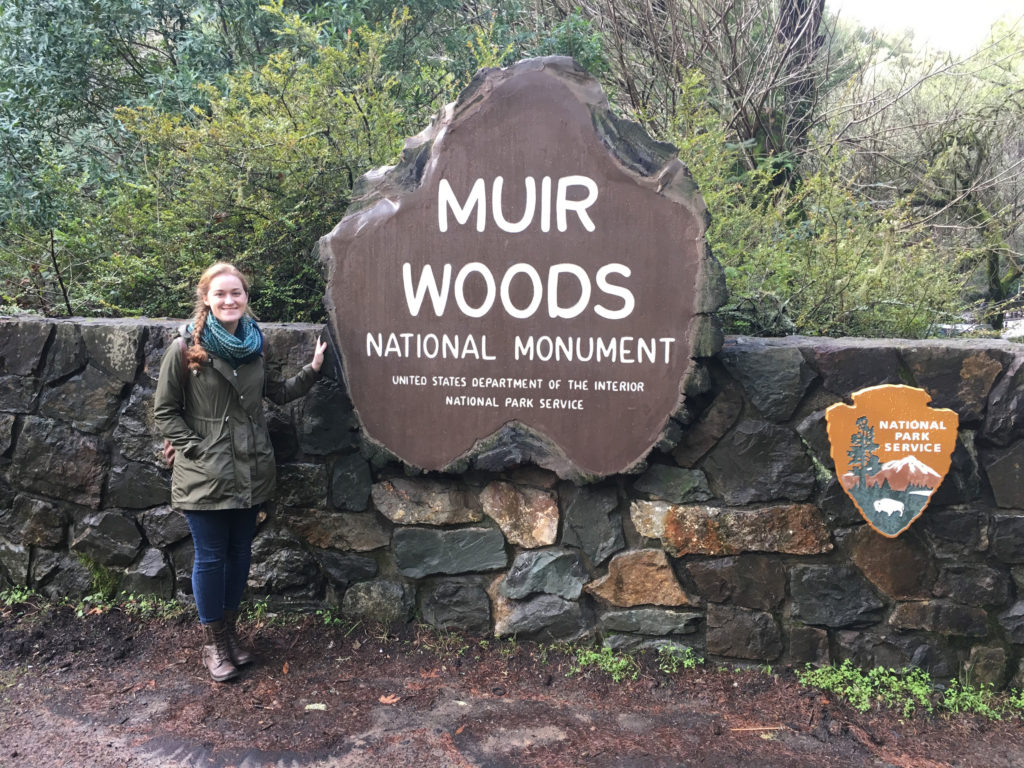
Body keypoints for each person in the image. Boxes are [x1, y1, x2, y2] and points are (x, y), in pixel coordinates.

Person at [154, 262, 327, 682]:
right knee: (211, 558)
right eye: (221, 294)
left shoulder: (254, 346)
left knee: (239, 555)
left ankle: (230, 637)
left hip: (249, 469)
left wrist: (313, 370)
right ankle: (213, 645)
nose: (229, 300)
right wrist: (197, 448)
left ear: (246, 298)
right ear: (207, 300)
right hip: (206, 474)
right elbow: (165, 411)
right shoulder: (184, 348)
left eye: (236, 293)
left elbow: (277, 395)